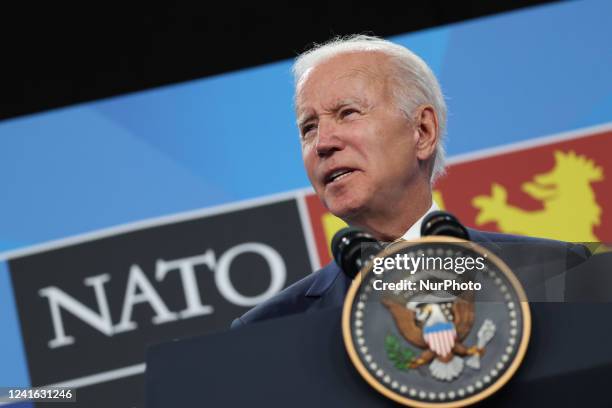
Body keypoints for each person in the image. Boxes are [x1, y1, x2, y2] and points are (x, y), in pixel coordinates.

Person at [231, 35, 588, 328]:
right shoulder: (270, 328)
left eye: (348, 113)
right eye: (309, 128)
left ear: (423, 131)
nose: (323, 143)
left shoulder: (562, 269)